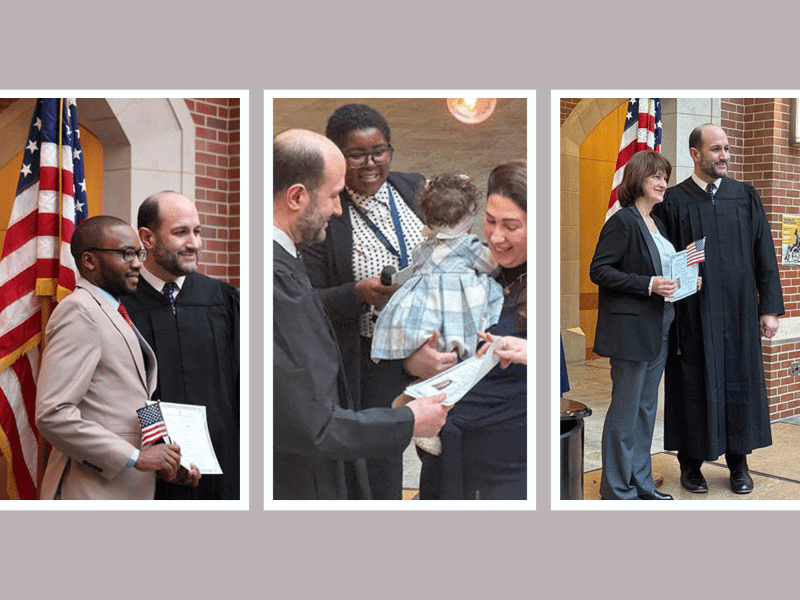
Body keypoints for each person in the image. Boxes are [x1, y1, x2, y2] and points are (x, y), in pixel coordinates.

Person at [272, 128, 451, 500]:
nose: (339, 210)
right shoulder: (275, 277)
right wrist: (408, 420)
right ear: (296, 197)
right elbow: (314, 425)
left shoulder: (284, 262)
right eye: (335, 196)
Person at [302, 103, 433, 499]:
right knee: (382, 457)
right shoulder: (325, 212)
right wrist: (359, 294)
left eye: (379, 151)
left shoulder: (412, 188)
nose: (370, 163)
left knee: (443, 442)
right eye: (356, 154)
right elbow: (307, 301)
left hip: (429, 344)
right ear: (336, 156)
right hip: (370, 358)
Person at [655, 124, 784, 495]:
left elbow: (764, 254)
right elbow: (664, 259)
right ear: (695, 154)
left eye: (727, 148)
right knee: (692, 384)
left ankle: (739, 465)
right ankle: (690, 465)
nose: (725, 155)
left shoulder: (744, 196)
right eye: (716, 149)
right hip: (692, 315)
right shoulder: (674, 201)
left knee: (739, 383)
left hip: (741, 314)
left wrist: (769, 308)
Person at [36, 216, 200, 500]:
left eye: (139, 253)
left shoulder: (114, 311)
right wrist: (135, 457)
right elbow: (53, 413)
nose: (137, 263)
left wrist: (168, 455)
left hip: (128, 490)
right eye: (126, 253)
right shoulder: (79, 311)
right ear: (89, 261)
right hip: (92, 490)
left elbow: (130, 400)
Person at [409, 161, 528, 500]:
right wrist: (419, 358)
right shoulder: (468, 264)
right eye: (490, 221)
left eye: (511, 226)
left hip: (510, 448)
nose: (496, 236)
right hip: (448, 442)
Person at [590, 151, 700, 500]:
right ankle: (617, 488)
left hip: (660, 323)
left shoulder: (657, 222)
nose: (663, 183)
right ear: (637, 180)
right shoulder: (623, 221)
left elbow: (664, 273)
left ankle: (641, 482)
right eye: (655, 176)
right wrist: (648, 284)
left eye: (665, 177)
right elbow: (600, 270)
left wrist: (686, 281)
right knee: (625, 411)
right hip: (630, 330)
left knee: (646, 409)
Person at [121, 191, 240, 500]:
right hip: (152, 467)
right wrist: (155, 443)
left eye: (197, 232)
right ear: (147, 238)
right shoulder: (122, 306)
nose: (194, 243)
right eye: (181, 233)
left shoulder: (223, 300)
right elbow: (126, 390)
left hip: (224, 465)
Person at [371, 173, 503, 363]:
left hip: (428, 301)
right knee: (465, 318)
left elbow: (416, 268)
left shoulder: (424, 247)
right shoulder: (467, 245)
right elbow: (492, 266)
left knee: (428, 321)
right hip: (459, 300)